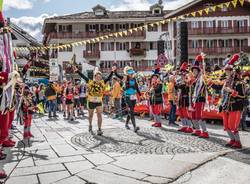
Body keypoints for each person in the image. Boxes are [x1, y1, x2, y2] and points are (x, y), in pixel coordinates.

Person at [74, 66, 114, 135]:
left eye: (100, 77)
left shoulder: (102, 82)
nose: (98, 78)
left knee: (99, 115)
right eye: (97, 77)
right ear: (95, 77)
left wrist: (112, 71)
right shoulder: (90, 82)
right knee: (90, 115)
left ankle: (99, 129)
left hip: (98, 101)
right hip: (91, 101)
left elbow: (108, 78)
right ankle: (90, 125)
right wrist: (77, 71)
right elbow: (83, 76)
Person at [114, 66, 141, 132]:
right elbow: (118, 75)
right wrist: (115, 71)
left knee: (131, 111)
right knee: (131, 111)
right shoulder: (125, 78)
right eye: (129, 72)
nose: (131, 74)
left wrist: (140, 95)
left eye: (132, 72)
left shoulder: (134, 79)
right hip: (127, 96)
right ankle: (135, 127)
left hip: (133, 96)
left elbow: (137, 87)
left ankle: (126, 123)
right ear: (127, 73)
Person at [190, 54, 209, 138]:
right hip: (195, 99)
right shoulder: (194, 80)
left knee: (199, 116)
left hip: (200, 99)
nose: (194, 72)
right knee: (193, 116)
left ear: (198, 71)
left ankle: (205, 132)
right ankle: (197, 130)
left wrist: (203, 72)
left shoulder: (201, 78)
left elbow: (205, 82)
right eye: (193, 71)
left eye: (195, 71)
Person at [176, 62, 193, 133]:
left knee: (186, 113)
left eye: (184, 73)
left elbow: (189, 89)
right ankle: (184, 126)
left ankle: (190, 127)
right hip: (180, 99)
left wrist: (186, 82)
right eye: (181, 74)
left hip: (186, 99)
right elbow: (178, 90)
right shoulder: (179, 82)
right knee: (181, 113)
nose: (182, 75)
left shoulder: (189, 81)